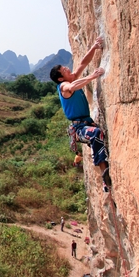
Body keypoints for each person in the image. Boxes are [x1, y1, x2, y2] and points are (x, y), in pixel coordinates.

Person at [49, 36, 110, 188]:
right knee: (96, 134)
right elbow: (72, 87)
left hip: (86, 122)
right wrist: (93, 76)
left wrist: (94, 47)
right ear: (61, 78)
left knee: (100, 138)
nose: (68, 69)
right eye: (64, 70)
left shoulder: (71, 79)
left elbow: (83, 63)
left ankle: (106, 173)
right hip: (79, 128)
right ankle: (104, 174)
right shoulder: (64, 87)